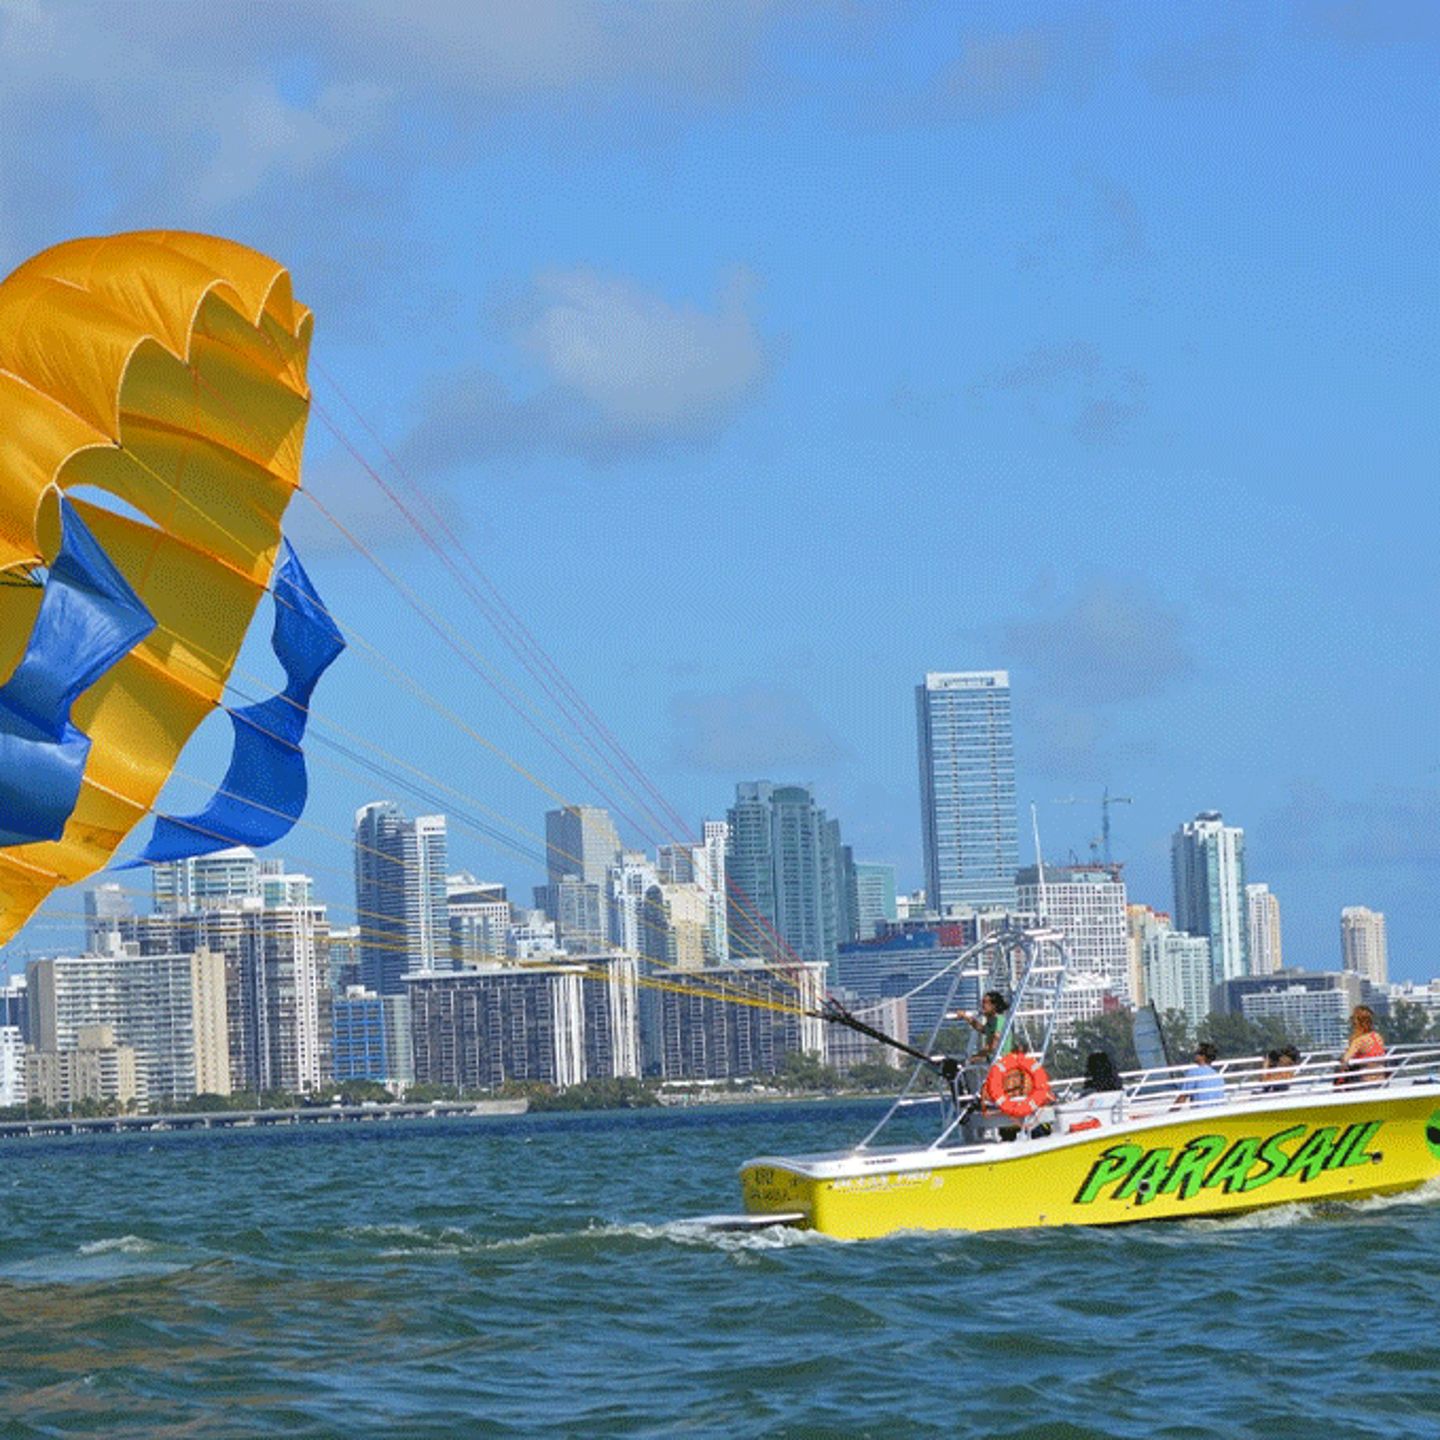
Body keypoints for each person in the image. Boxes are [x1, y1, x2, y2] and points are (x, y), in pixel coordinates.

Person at [948, 990, 1011, 1067]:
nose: (983, 1005)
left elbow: (991, 1047)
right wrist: (965, 1016)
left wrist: (970, 1060)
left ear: (994, 1006)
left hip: (1002, 1064)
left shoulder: (998, 1022)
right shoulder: (992, 1021)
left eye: (986, 1002)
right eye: (982, 1002)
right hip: (996, 1063)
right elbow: (982, 1029)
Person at [1337, 1006, 1386, 1086]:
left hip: (1366, 1080)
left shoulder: (1359, 1041)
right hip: (1381, 1079)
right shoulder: (1378, 1037)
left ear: (1357, 1022)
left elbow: (1345, 1059)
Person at [1175, 1041, 1225, 1107]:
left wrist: (1169, 1115)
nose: (1195, 1055)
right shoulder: (1218, 1076)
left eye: (1197, 1053)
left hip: (1201, 1112)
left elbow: (1182, 1097)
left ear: (1203, 1056)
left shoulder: (1194, 1072)